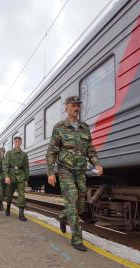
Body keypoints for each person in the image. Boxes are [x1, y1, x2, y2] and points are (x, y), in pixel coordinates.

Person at [46, 95, 104, 251]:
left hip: (80, 171)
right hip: (65, 170)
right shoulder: (59, 127)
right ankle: (77, 238)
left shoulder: (85, 127)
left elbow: (90, 150)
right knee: (71, 200)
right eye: (72, 105)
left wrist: (97, 164)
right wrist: (51, 172)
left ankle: (63, 216)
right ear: (66, 108)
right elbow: (51, 152)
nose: (76, 108)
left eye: (78, 105)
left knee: (79, 205)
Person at [3, 136, 29, 221]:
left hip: (21, 176)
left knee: (21, 194)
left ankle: (21, 214)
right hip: (11, 176)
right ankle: (8, 207)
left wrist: (26, 180)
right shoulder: (9, 153)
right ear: (14, 143)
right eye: (16, 141)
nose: (17, 142)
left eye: (19, 141)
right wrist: (6, 176)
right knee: (9, 194)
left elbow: (26, 167)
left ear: (21, 143)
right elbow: (5, 165)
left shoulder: (24, 154)